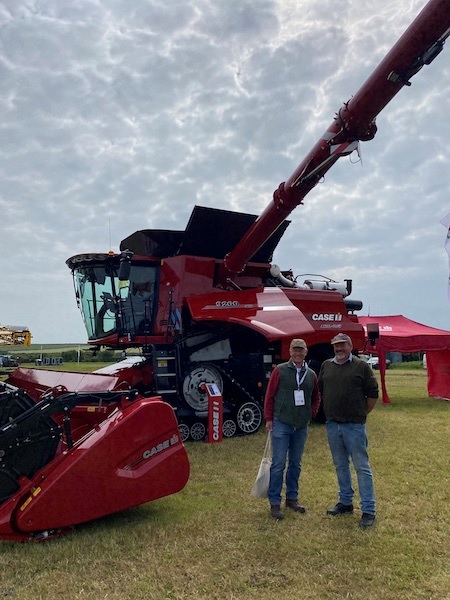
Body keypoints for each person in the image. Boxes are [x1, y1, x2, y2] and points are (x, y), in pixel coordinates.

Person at [318, 333, 379, 528]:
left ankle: (368, 510)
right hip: (333, 425)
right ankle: (345, 502)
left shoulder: (361, 366)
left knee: (362, 467)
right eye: (336, 346)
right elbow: (321, 390)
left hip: (354, 426)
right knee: (340, 465)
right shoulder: (326, 366)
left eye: (343, 345)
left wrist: (361, 413)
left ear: (350, 346)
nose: (339, 349)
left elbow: (372, 394)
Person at [264, 338, 321, 520]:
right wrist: (269, 419)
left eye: (301, 350)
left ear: (306, 352)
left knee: (295, 464)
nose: (297, 353)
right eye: (295, 350)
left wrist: (311, 412)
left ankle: (292, 498)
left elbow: (316, 396)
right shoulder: (280, 371)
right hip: (282, 422)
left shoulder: (311, 374)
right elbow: (270, 395)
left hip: (301, 426)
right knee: (278, 464)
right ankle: (274, 502)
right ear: (290, 352)